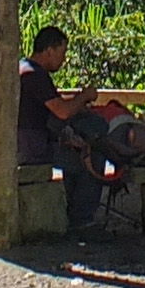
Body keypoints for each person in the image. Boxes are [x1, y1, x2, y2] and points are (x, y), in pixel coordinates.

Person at [15, 26, 110, 239]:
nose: (63, 59)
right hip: (31, 149)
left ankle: (73, 212)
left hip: (31, 141)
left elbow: (52, 113)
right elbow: (63, 111)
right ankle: (82, 220)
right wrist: (84, 96)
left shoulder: (24, 68)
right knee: (91, 156)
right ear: (49, 50)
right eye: (62, 53)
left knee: (76, 147)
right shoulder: (34, 75)